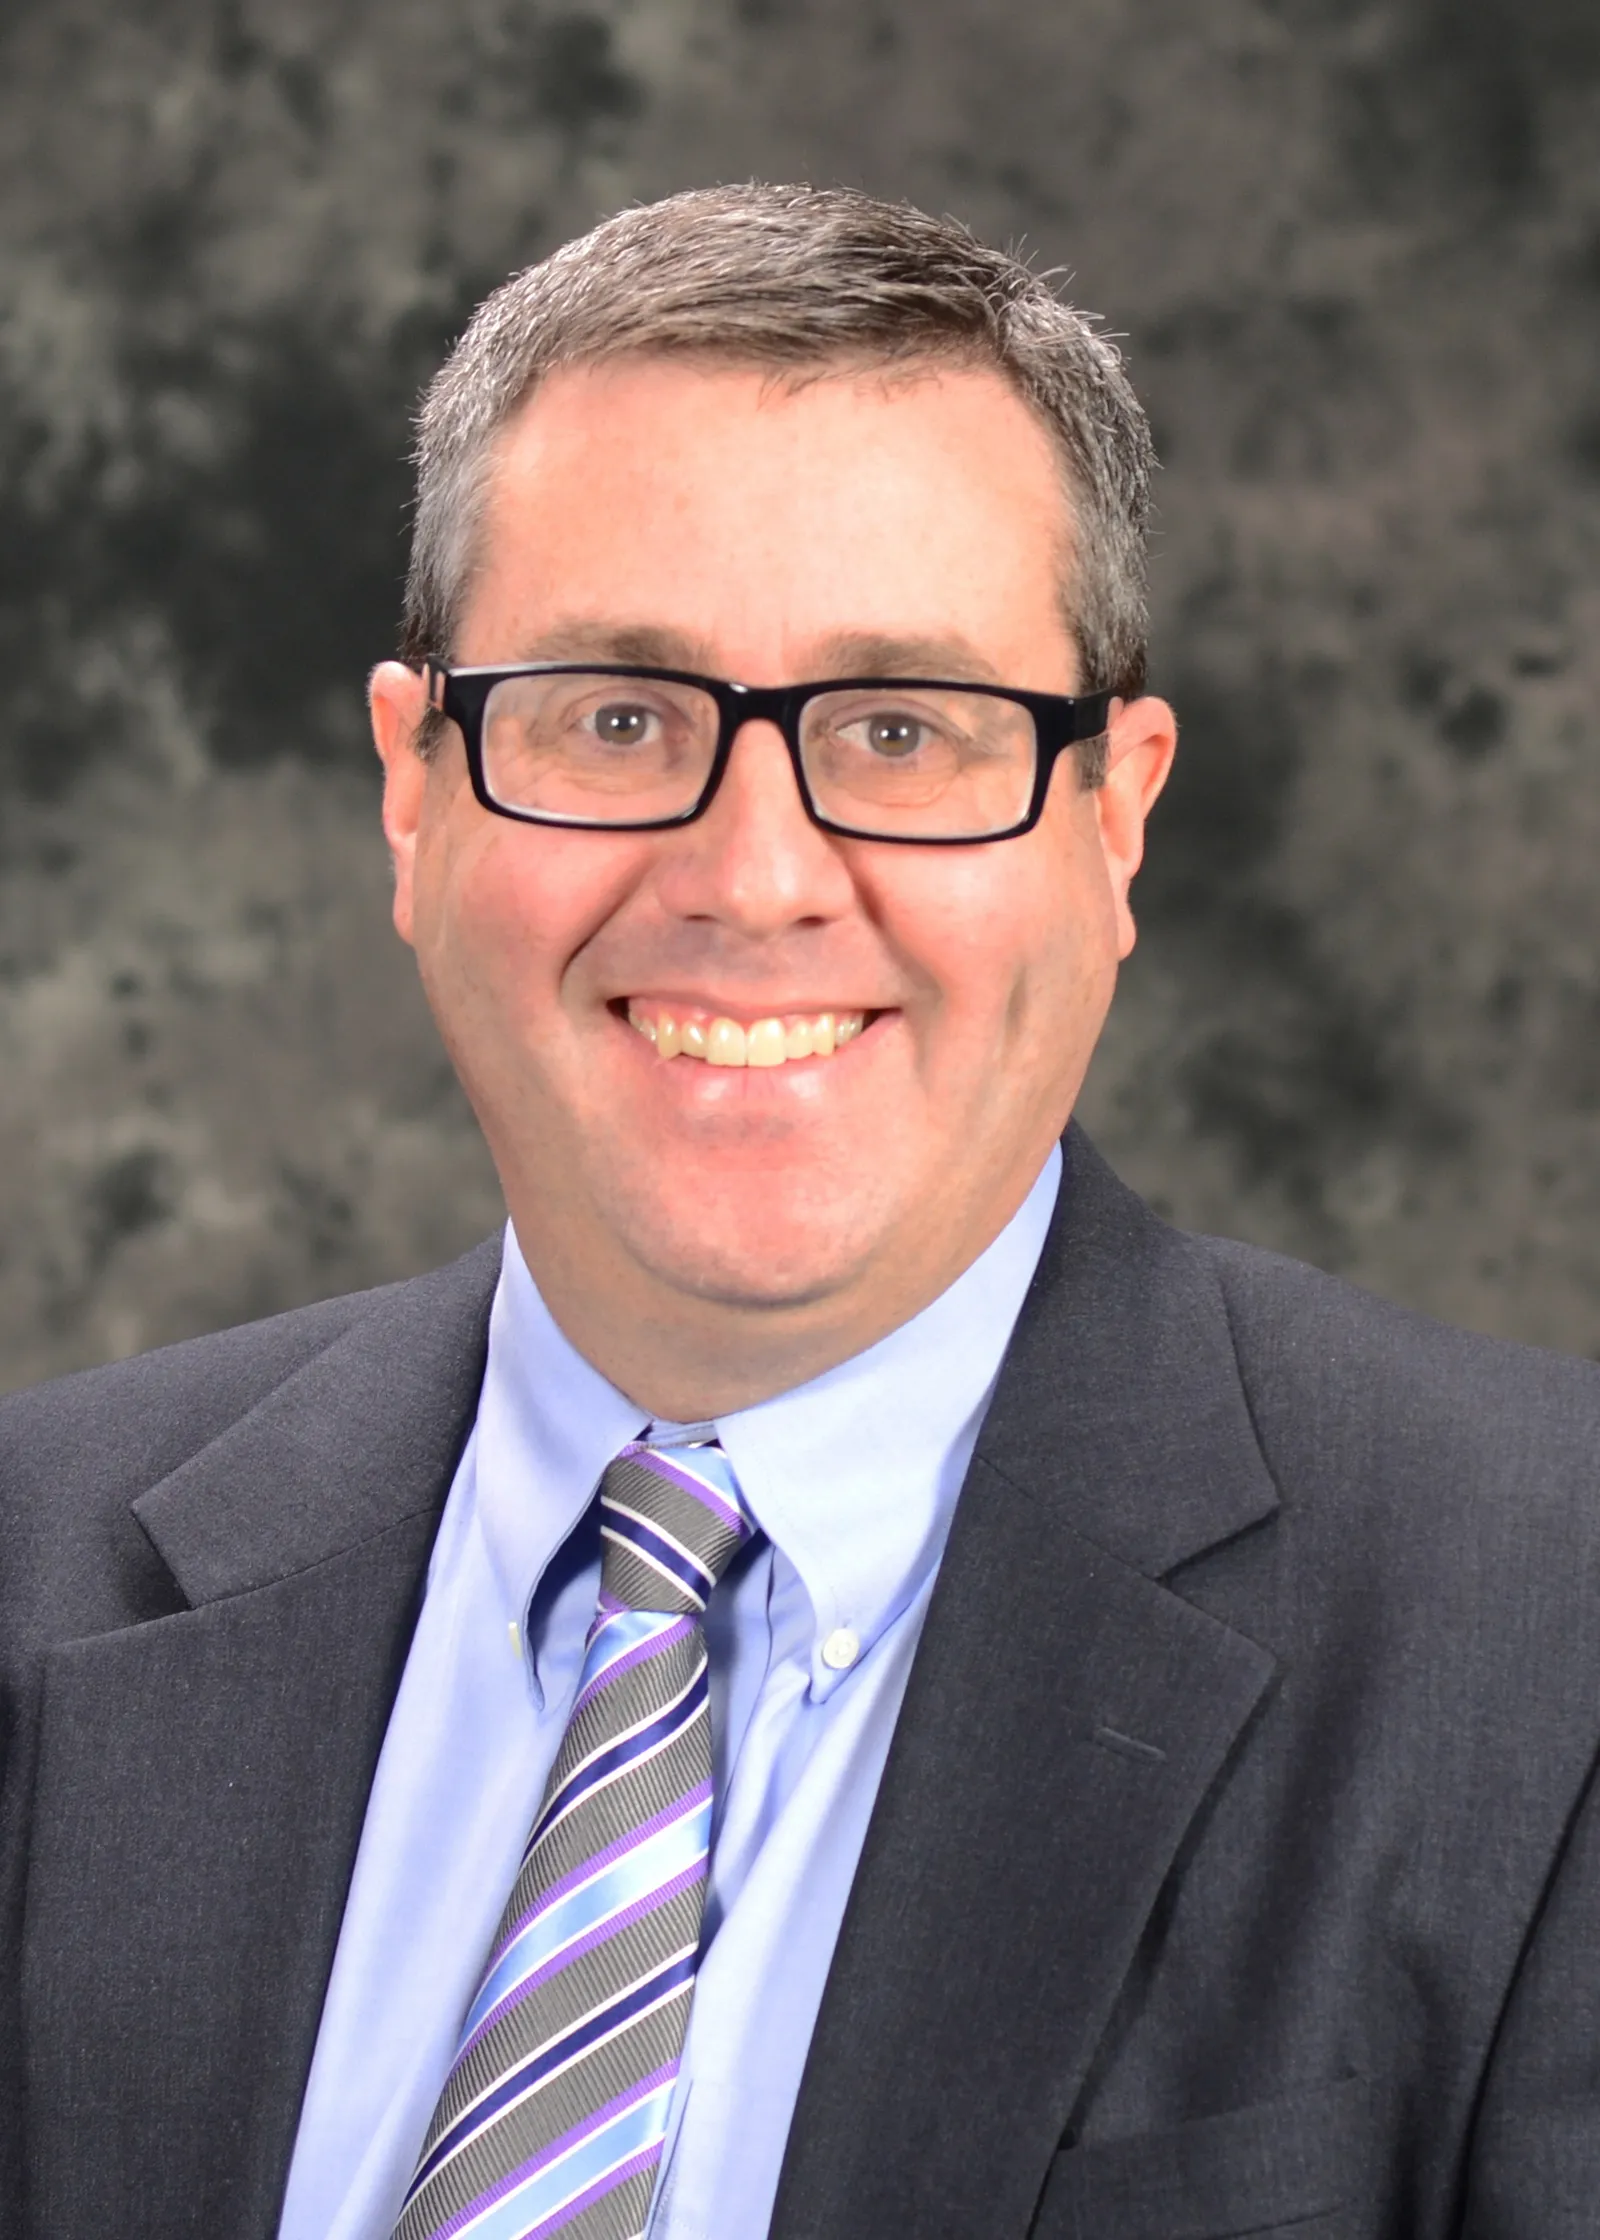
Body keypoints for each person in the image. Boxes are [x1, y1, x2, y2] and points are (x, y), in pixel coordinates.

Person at [3, 182, 1599, 2240]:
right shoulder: (33, 1572)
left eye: (903, 732)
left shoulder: (1546, 1637)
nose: (753, 875)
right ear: (414, 790)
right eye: (612, 717)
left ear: (1113, 816)